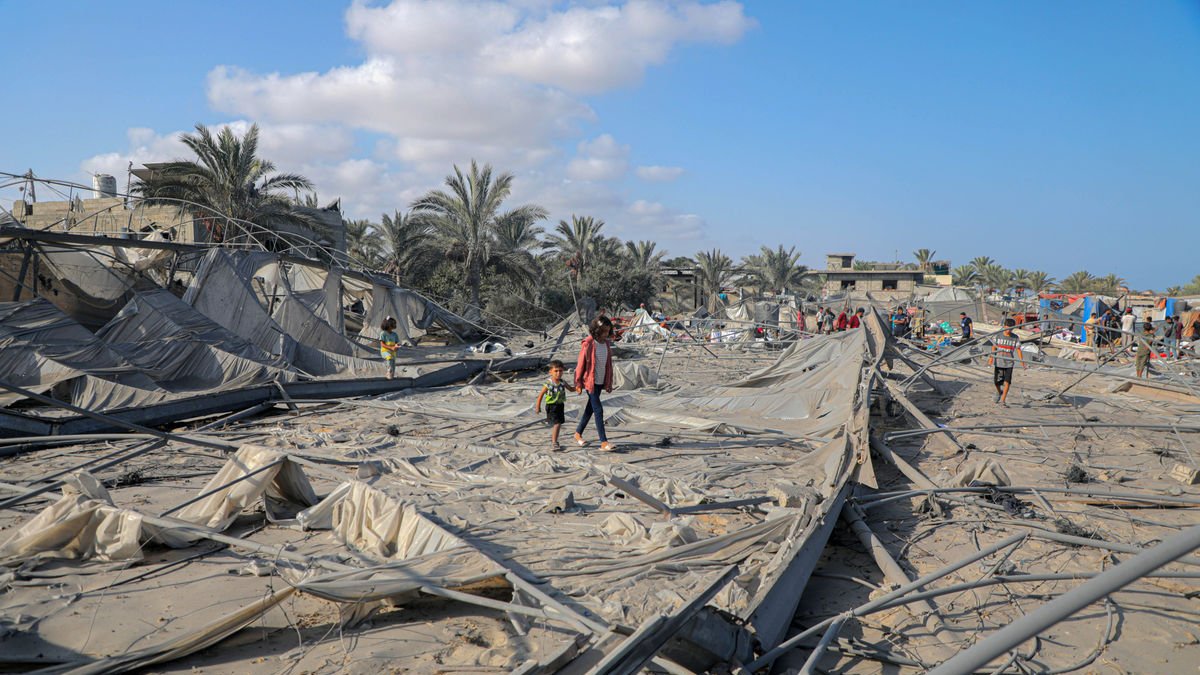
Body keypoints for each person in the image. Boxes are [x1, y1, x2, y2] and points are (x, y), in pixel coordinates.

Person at [574, 315, 616, 452]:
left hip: (600, 382)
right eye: (603, 331)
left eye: (608, 331)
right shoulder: (588, 343)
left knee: (590, 409)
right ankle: (604, 442)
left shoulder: (606, 344)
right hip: (590, 382)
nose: (606, 334)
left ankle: (577, 433)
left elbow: (608, 365)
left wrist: (609, 382)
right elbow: (580, 365)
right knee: (598, 410)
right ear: (597, 330)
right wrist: (578, 383)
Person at [535, 359, 577, 451]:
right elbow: (541, 395)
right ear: (550, 372)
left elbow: (571, 389)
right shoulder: (548, 383)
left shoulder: (562, 382)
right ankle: (554, 442)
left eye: (560, 371)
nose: (558, 373)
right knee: (557, 424)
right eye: (556, 371)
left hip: (560, 405)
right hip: (551, 406)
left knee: (559, 423)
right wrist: (538, 407)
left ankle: (555, 440)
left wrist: (579, 387)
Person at [989, 318, 1026, 407]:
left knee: (1007, 382)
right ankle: (999, 392)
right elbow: (994, 347)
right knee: (997, 382)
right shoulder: (998, 336)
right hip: (999, 362)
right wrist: (991, 358)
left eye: (1011, 329)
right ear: (1004, 326)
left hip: (1009, 363)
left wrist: (1022, 362)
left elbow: (1018, 350)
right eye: (1007, 328)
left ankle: (1003, 400)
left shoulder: (1015, 337)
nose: (1009, 330)